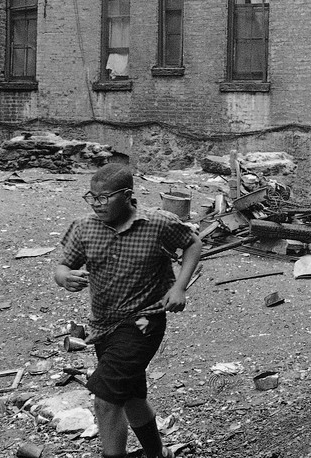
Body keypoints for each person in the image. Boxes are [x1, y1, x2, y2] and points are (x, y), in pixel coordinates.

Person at [54, 164, 206, 458]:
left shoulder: (158, 224)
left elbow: (193, 243)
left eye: (104, 198)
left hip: (143, 323)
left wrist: (179, 287)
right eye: (92, 197)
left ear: (127, 195)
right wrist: (64, 277)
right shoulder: (84, 227)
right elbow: (63, 265)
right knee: (131, 399)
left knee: (106, 401)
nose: (96, 204)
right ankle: (157, 454)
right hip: (103, 326)